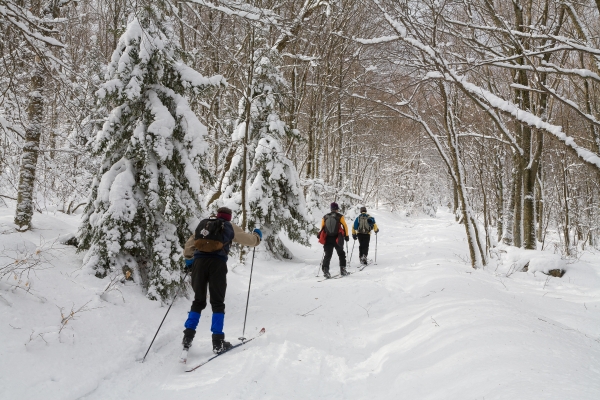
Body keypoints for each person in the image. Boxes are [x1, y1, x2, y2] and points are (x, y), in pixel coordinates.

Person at [181, 207, 262, 358]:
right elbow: (250, 241)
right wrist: (257, 236)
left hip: (199, 263)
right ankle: (217, 343)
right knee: (217, 302)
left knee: (198, 300)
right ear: (229, 217)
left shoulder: (205, 224)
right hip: (217, 264)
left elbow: (189, 245)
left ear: (217, 215)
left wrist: (189, 260)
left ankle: (187, 337)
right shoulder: (229, 226)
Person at [318, 202, 350, 278]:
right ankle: (343, 270)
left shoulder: (325, 217)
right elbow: (345, 226)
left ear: (331, 209)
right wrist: (346, 235)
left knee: (328, 255)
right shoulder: (340, 216)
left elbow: (322, 227)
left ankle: (326, 270)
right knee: (341, 254)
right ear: (337, 209)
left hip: (328, 238)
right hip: (337, 238)